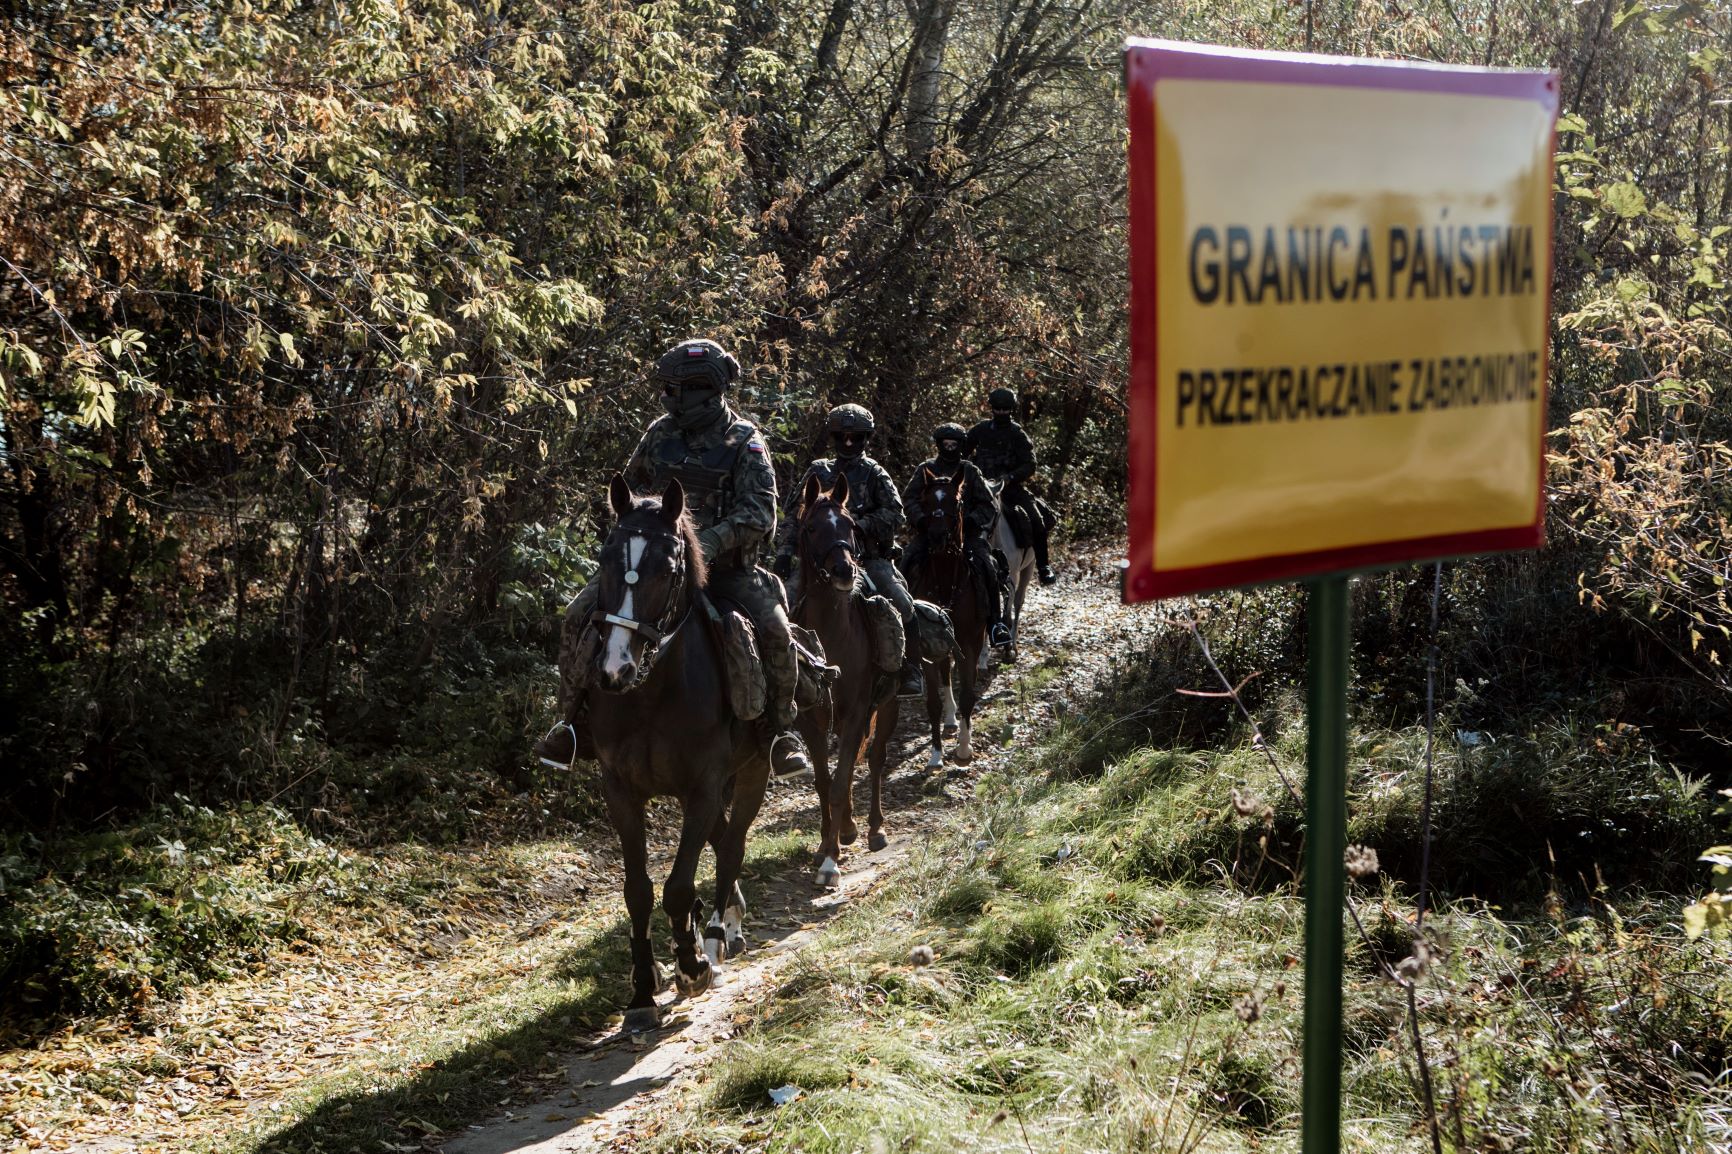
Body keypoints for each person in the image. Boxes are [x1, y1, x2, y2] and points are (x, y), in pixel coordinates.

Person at [533, 338, 814, 779]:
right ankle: (568, 724)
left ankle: (780, 731)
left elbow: (761, 511)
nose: (670, 397)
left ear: (704, 388)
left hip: (725, 572)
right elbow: (627, 488)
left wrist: (707, 542)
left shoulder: (744, 441)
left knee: (776, 630)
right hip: (654, 567)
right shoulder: (660, 432)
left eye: (677, 389)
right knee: (577, 615)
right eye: (668, 389)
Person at [774, 403, 924, 695]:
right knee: (782, 604)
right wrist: (784, 552)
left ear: (865, 439)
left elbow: (896, 514)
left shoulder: (874, 473)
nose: (848, 443)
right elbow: (795, 515)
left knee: (901, 602)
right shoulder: (818, 471)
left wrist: (857, 524)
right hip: (819, 562)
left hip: (868, 559)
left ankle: (910, 669)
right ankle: (778, 674)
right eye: (841, 437)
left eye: (855, 437)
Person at [901, 423, 1013, 648]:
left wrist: (972, 520)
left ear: (961, 446)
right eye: (946, 444)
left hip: (966, 536)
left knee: (989, 567)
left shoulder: (970, 471)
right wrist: (921, 520)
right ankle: (902, 623)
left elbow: (988, 504)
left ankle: (996, 624)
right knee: (904, 562)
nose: (950, 448)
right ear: (939, 445)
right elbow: (908, 499)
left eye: (954, 444)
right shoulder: (925, 469)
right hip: (929, 533)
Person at [967, 386, 1057, 585]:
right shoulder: (980, 430)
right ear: (992, 409)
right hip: (980, 490)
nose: (1001, 413)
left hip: (1010, 490)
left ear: (1011, 409)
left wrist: (1010, 477)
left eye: (1005, 409)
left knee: (1036, 519)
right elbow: (962, 452)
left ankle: (1043, 566)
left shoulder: (1018, 434)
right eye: (997, 409)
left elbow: (1030, 464)